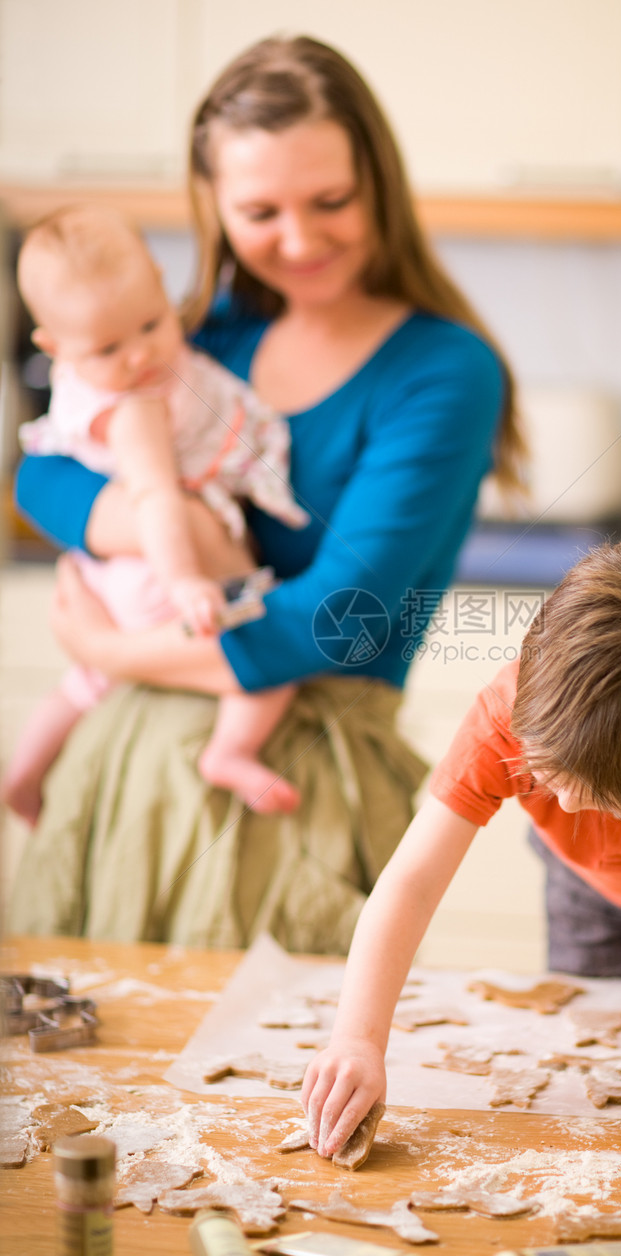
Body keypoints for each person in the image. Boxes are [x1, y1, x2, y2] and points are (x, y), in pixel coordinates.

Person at [8, 35, 525, 951]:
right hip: (124, 770)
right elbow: (42, 472)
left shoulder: (443, 372)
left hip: (297, 789)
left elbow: (345, 619)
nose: (299, 239)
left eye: (332, 200)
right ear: (212, 206)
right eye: (260, 210)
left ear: (379, 181)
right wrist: (153, 517)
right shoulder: (203, 338)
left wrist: (110, 646)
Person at [301, 531, 621, 1173]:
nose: (565, 810)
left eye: (605, 798)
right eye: (547, 778)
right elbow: (410, 883)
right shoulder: (504, 713)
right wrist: (357, 1039)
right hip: (583, 889)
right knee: (604, 1045)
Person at [2, 204, 310, 827]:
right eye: (110, 346)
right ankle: (230, 751)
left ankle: (24, 775)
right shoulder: (135, 408)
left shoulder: (93, 374)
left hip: (113, 577)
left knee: (85, 682)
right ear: (54, 347)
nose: (141, 356)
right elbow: (156, 499)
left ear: (159, 280)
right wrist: (188, 582)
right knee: (270, 669)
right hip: (167, 574)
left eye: (151, 324)